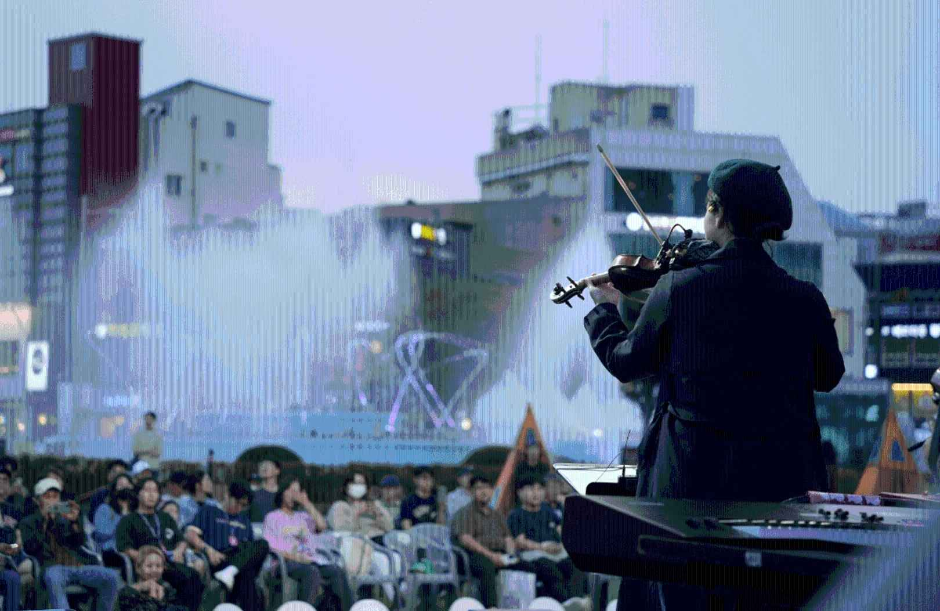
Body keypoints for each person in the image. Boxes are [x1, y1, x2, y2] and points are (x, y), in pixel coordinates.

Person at [583, 159, 845, 611]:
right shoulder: (804, 299)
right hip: (778, 495)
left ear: (718, 214)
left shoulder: (681, 289)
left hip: (690, 494)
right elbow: (829, 376)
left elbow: (626, 362)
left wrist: (606, 310)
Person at [451, 475, 556, 608]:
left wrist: (511, 555)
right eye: (479, 488)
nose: (484, 492)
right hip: (473, 555)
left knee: (527, 566)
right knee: (487, 566)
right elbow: (466, 539)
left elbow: (508, 538)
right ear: (472, 492)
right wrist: (491, 555)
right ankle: (491, 607)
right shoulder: (466, 513)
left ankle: (532, 605)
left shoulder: (497, 515)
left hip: (499, 554)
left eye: (488, 488)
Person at [19, 478, 120, 611]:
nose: (52, 501)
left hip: (78, 566)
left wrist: (74, 523)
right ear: (37, 501)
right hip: (53, 568)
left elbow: (80, 543)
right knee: (54, 575)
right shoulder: (29, 522)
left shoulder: (65, 519)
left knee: (112, 576)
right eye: (47, 497)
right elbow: (31, 547)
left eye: (55, 497)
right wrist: (44, 522)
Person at [115, 478, 205, 611]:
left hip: (169, 563)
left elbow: (181, 540)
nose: (151, 494)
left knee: (193, 576)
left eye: (155, 491)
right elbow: (125, 548)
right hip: (147, 566)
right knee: (186, 579)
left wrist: (179, 551)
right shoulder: (128, 520)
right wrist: (148, 558)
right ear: (138, 493)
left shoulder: (165, 517)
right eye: (147, 490)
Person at [264, 479, 353, 611]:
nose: (295, 495)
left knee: (336, 571)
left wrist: (306, 502)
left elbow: (322, 525)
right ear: (282, 493)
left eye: (297, 491)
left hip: (310, 561)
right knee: (312, 573)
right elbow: (273, 547)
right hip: (286, 562)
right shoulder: (273, 517)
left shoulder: (303, 516)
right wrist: (298, 558)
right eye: (291, 491)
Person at [184, 480, 270, 610]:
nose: (239, 508)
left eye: (244, 505)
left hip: (240, 558)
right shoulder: (209, 511)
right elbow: (190, 534)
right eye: (238, 503)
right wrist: (209, 550)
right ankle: (230, 572)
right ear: (227, 495)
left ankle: (230, 572)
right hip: (220, 557)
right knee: (247, 574)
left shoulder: (244, 520)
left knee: (262, 545)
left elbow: (251, 548)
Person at [508, 476, 586, 600]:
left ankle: (576, 601)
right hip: (533, 555)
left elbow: (562, 533)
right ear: (520, 492)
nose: (536, 493)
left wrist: (561, 544)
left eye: (539, 489)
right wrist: (543, 547)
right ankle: (565, 602)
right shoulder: (517, 514)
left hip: (556, 552)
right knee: (549, 568)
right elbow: (520, 542)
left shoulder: (549, 512)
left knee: (576, 565)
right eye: (531, 489)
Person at [327, 473, 394, 542]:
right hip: (360, 543)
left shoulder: (374, 504)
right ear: (346, 487)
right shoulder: (339, 506)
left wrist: (378, 513)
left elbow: (390, 527)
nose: (359, 487)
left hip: (383, 540)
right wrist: (356, 513)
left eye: (362, 484)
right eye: (356, 483)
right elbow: (341, 532)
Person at [117, 545, 186, 611]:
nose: (154, 570)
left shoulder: (167, 589)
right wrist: (154, 597)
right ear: (138, 568)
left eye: (158, 566)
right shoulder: (128, 593)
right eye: (149, 566)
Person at [92, 474, 137, 568]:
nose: (124, 488)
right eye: (120, 485)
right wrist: (123, 516)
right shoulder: (104, 509)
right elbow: (102, 535)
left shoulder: (137, 511)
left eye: (127, 484)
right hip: (111, 551)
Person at [249, 459, 281, 523]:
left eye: (268, 465)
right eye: (262, 465)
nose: (264, 467)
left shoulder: (283, 493)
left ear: (277, 471)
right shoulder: (252, 493)